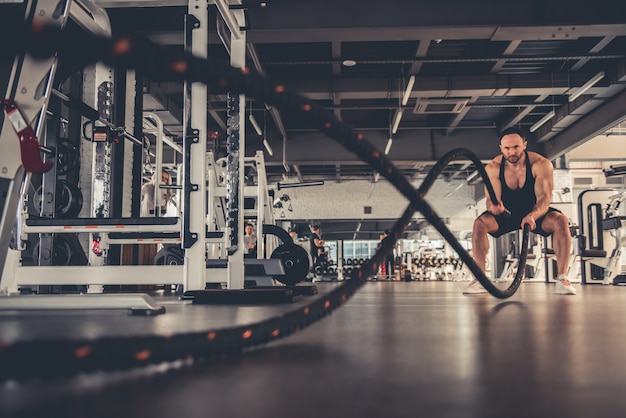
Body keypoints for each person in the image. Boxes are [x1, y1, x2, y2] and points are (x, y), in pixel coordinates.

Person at [463, 127, 576, 295]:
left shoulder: (541, 164)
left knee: (560, 220)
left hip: (535, 212)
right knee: (479, 224)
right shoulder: (493, 167)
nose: (512, 152)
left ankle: (562, 278)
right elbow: (490, 200)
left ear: (524, 145)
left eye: (516, 147)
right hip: (506, 214)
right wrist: (493, 207)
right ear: (501, 148)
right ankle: (480, 279)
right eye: (507, 148)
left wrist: (532, 215)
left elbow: (544, 199)